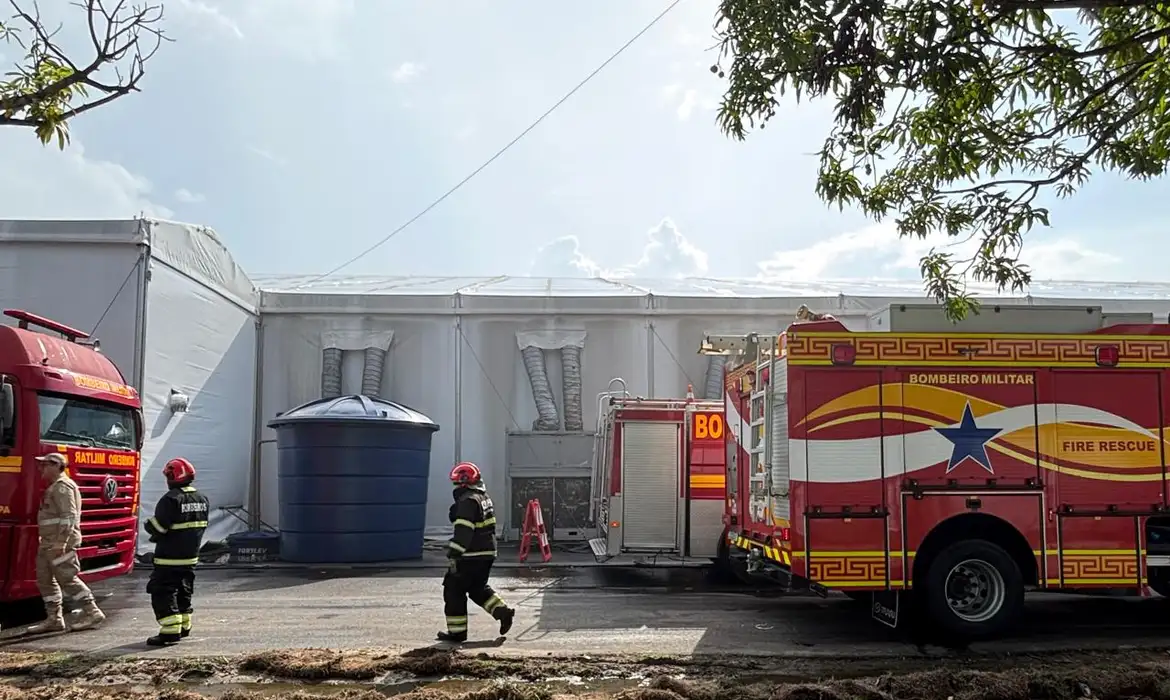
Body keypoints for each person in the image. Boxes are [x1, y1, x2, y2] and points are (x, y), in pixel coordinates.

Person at [27, 452, 106, 634]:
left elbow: (68, 517)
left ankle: (93, 612)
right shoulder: (54, 486)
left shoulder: (63, 487)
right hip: (48, 542)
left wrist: (61, 542)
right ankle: (54, 619)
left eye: (45, 465)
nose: (41, 468)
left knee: (68, 579)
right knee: (45, 580)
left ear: (56, 466)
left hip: (59, 544)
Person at [439, 461, 516, 643]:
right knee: (476, 588)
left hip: (470, 555)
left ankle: (457, 633)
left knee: (453, 589)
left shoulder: (467, 501)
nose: (455, 487)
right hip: (487, 553)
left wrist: (454, 551)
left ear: (463, 483)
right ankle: (503, 612)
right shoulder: (483, 497)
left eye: (456, 484)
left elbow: (464, 531)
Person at [142, 457, 210, 646]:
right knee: (184, 590)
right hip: (190, 557)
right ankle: (184, 626)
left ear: (172, 477)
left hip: (169, 558)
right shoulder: (202, 498)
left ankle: (170, 632)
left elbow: (159, 528)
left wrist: (148, 525)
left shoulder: (171, 499)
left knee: (162, 591)